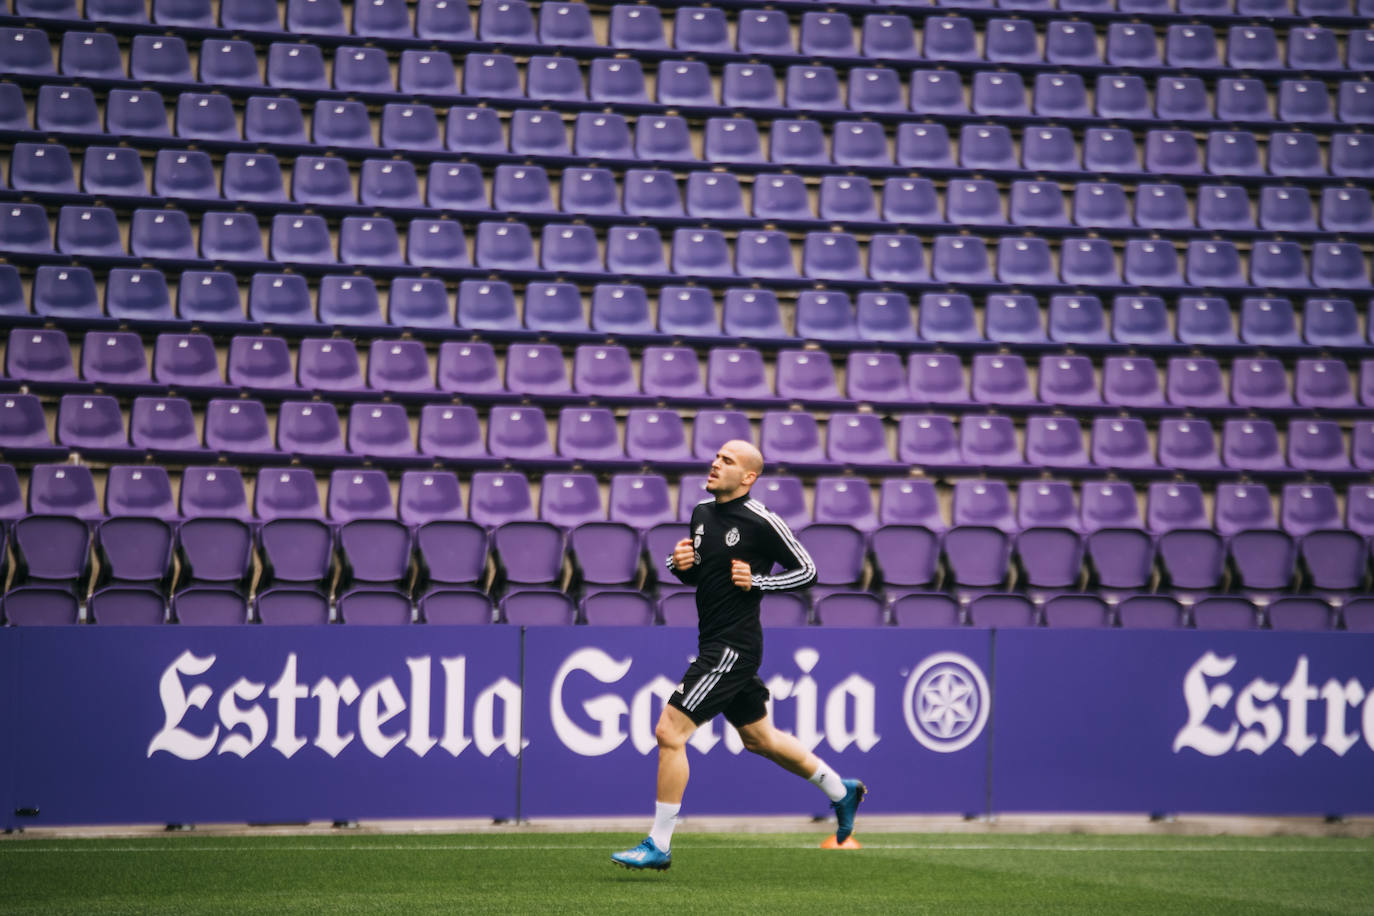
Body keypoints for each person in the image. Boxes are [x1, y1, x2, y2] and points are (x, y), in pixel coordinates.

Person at [612, 439, 866, 871]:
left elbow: (808, 570)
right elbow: (704, 578)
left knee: (669, 733)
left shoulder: (762, 520)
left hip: (734, 646)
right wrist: (680, 566)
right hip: (715, 641)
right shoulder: (702, 514)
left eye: (727, 461)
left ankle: (658, 845)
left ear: (748, 477)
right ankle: (841, 790)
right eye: (716, 457)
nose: (715, 463)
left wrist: (761, 582)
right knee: (760, 739)